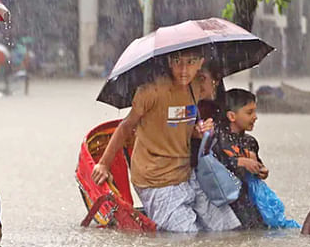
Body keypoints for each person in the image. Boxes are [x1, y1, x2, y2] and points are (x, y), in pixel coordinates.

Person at [91, 49, 240, 233]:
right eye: (178, 61)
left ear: (200, 63)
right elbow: (125, 127)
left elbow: (179, 127)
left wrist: (198, 132)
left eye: (191, 62)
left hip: (185, 172)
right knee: (187, 237)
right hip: (155, 178)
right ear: (169, 62)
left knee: (227, 229)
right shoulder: (151, 91)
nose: (184, 70)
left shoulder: (195, 88)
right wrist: (104, 164)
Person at [211, 89, 267, 229]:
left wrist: (261, 170)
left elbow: (257, 166)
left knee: (256, 230)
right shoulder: (216, 136)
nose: (255, 117)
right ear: (231, 116)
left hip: (245, 198)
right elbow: (209, 165)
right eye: (249, 113)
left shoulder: (250, 142)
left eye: (255, 111)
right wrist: (238, 162)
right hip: (222, 200)